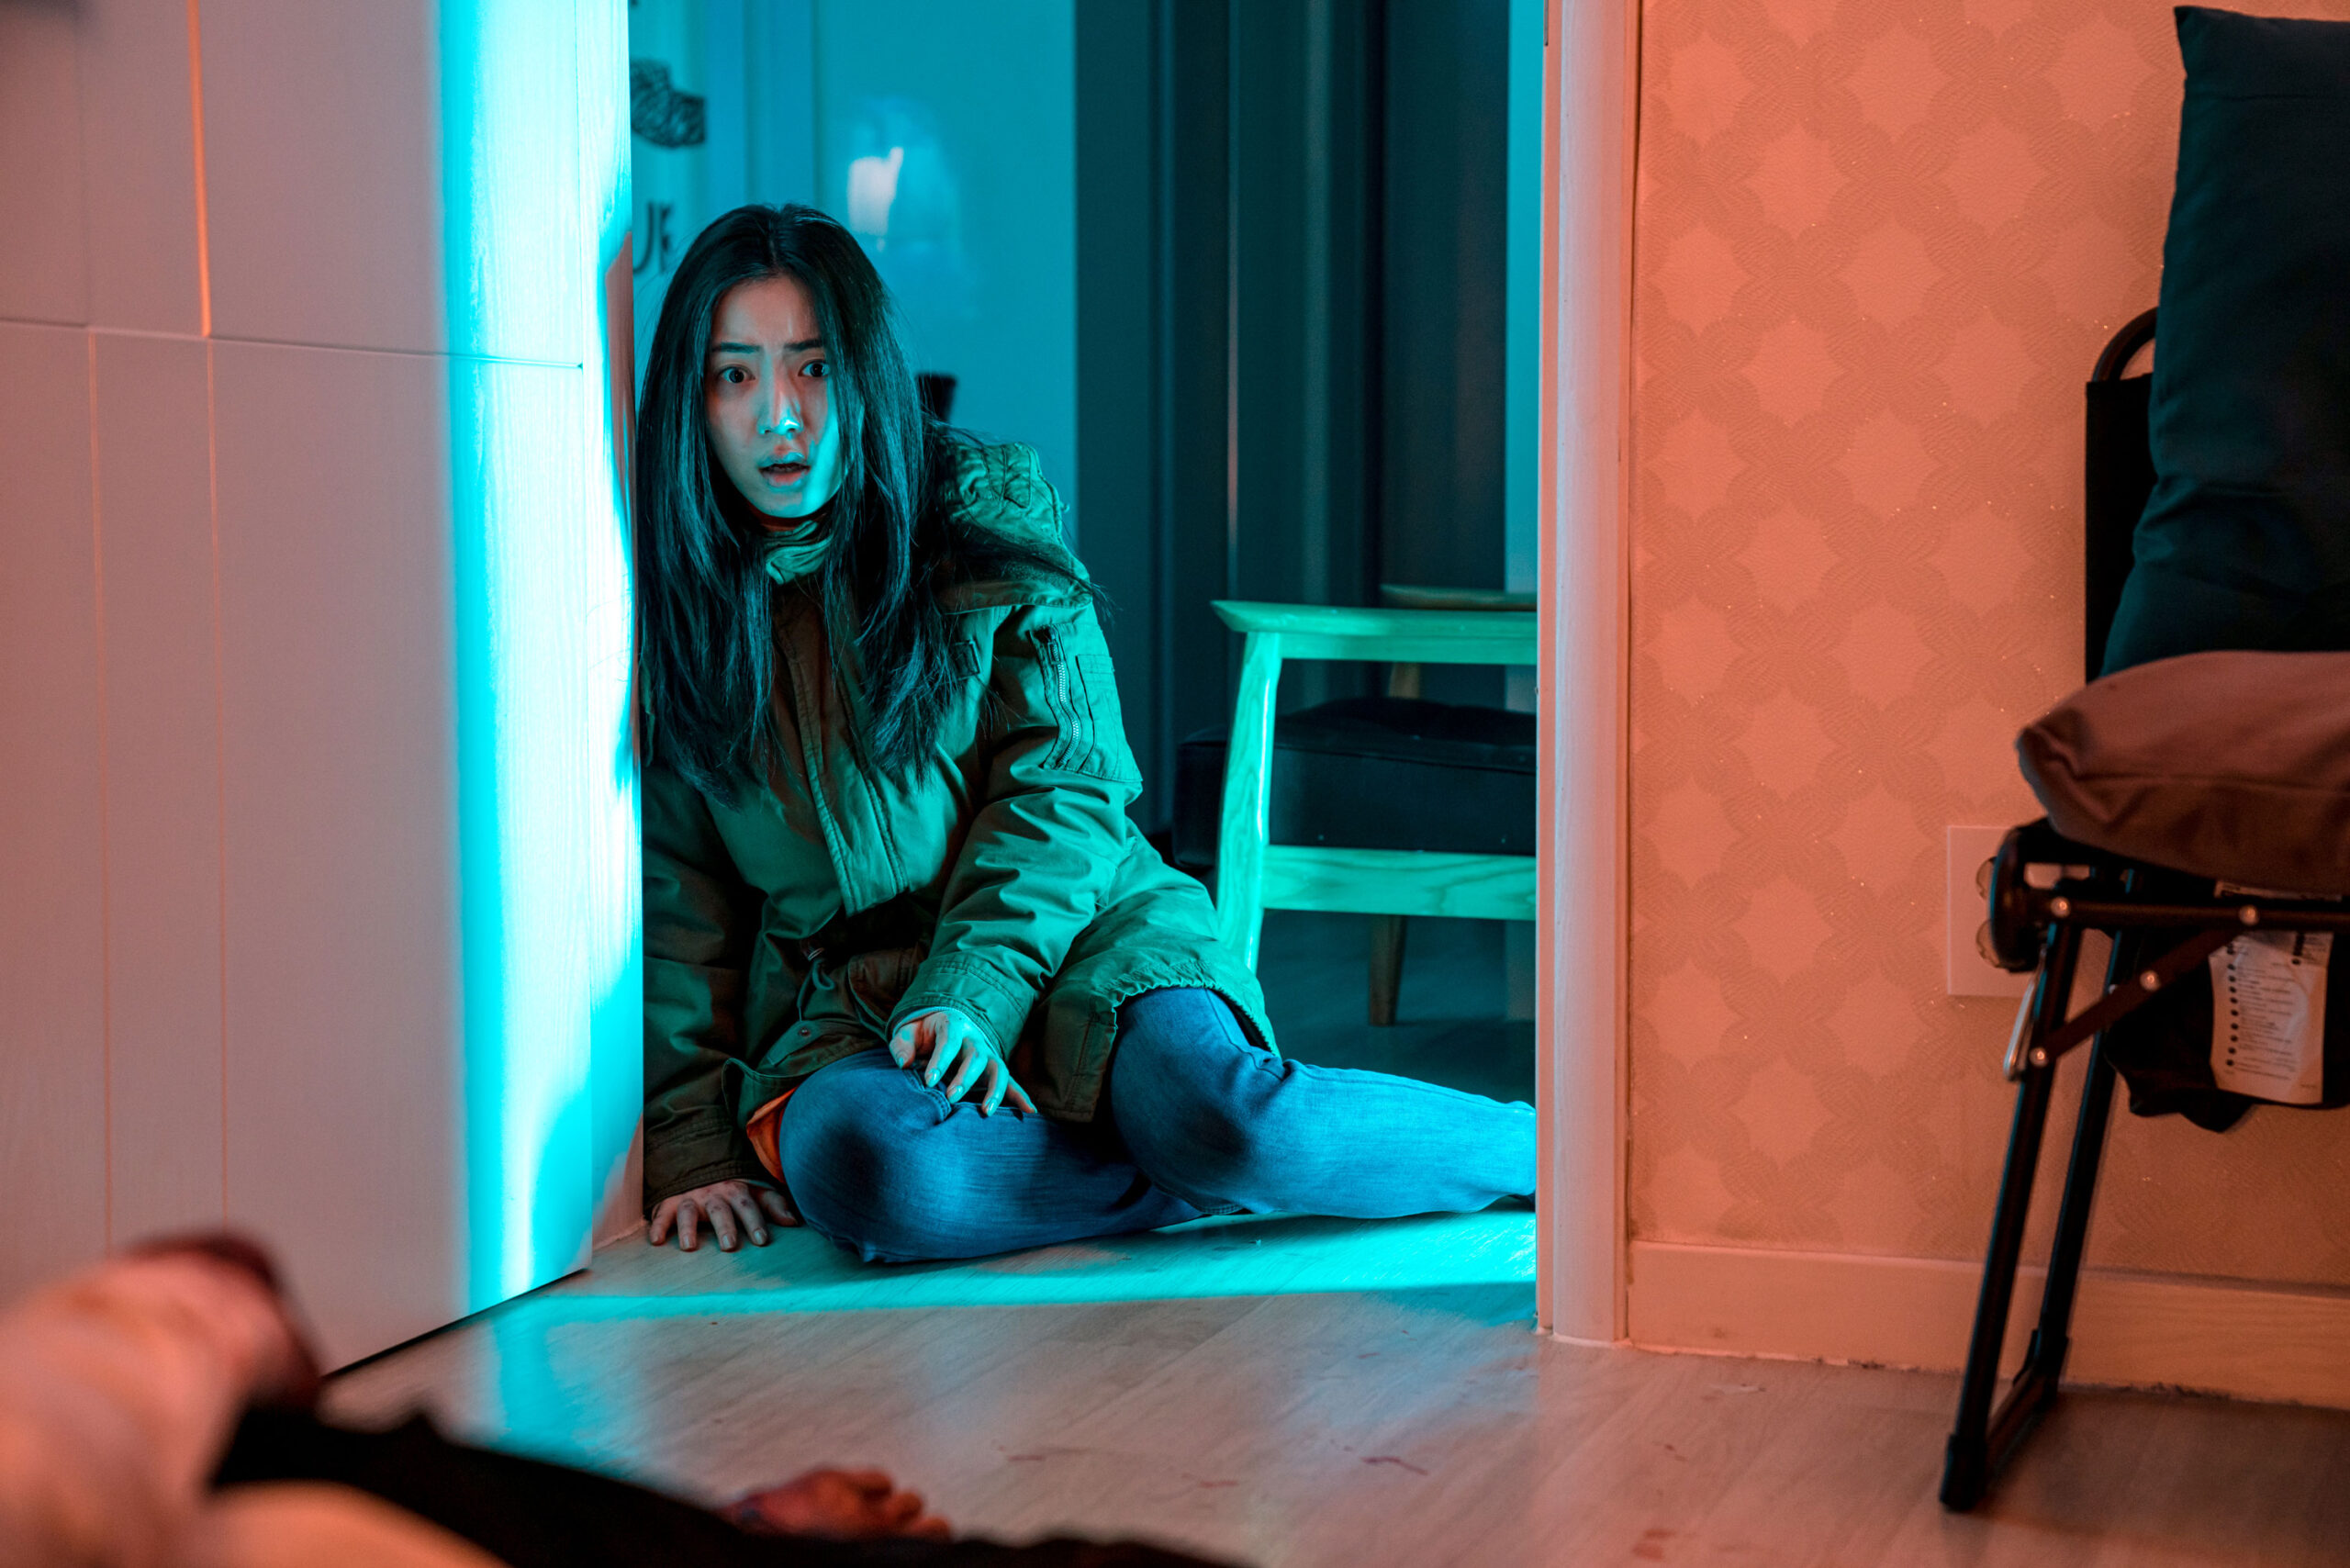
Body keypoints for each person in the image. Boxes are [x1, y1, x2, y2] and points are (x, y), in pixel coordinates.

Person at [639, 204, 1536, 1264]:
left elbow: (1064, 786)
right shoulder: (680, 614)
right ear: (691, 400)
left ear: (867, 374)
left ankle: (1544, 1151)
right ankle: (1190, 1168)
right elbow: (683, 904)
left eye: (813, 367)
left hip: (1086, 927)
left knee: (1229, 1116)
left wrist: (973, 989)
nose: (779, 415)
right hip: (858, 1008)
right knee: (867, 1171)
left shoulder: (981, 523)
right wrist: (690, 1143)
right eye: (733, 374)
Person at [0, 1238, 1229, 1566]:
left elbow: (1053, 829)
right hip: (867, 1051)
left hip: (1088, 973)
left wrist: (968, 996)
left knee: (1205, 1101)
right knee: (878, 1161)